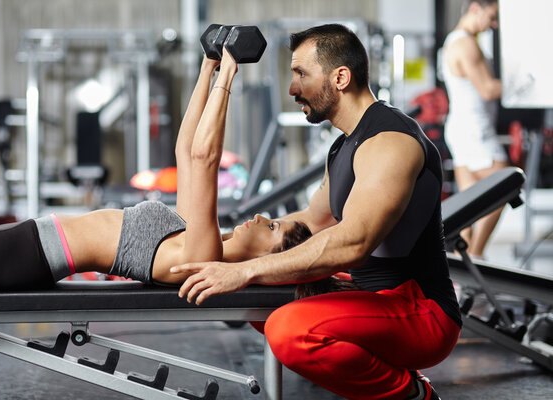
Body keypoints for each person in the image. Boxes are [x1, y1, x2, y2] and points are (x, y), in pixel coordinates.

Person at [172, 24, 461, 400]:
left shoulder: (391, 142)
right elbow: (312, 220)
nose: (293, 89)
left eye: (301, 74)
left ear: (341, 77)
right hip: (373, 297)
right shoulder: (343, 147)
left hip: (421, 312)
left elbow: (352, 242)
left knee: (288, 328)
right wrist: (224, 245)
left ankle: (412, 394)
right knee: (264, 289)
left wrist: (246, 270)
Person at [0, 48, 312, 294]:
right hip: (31, 238)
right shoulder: (201, 241)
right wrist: (209, 69)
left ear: (268, 258)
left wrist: (228, 75)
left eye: (275, 227)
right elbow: (186, 152)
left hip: (31, 254)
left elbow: (205, 157)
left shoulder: (204, 255)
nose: (265, 217)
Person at [442, 0, 507, 257]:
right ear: (475, 8)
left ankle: (464, 272)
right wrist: (532, 82)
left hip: (463, 128)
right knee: (506, 184)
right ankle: (477, 258)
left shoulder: (455, 40)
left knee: (469, 208)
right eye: (492, 16)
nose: (494, 24)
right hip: (474, 131)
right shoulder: (465, 44)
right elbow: (488, 89)